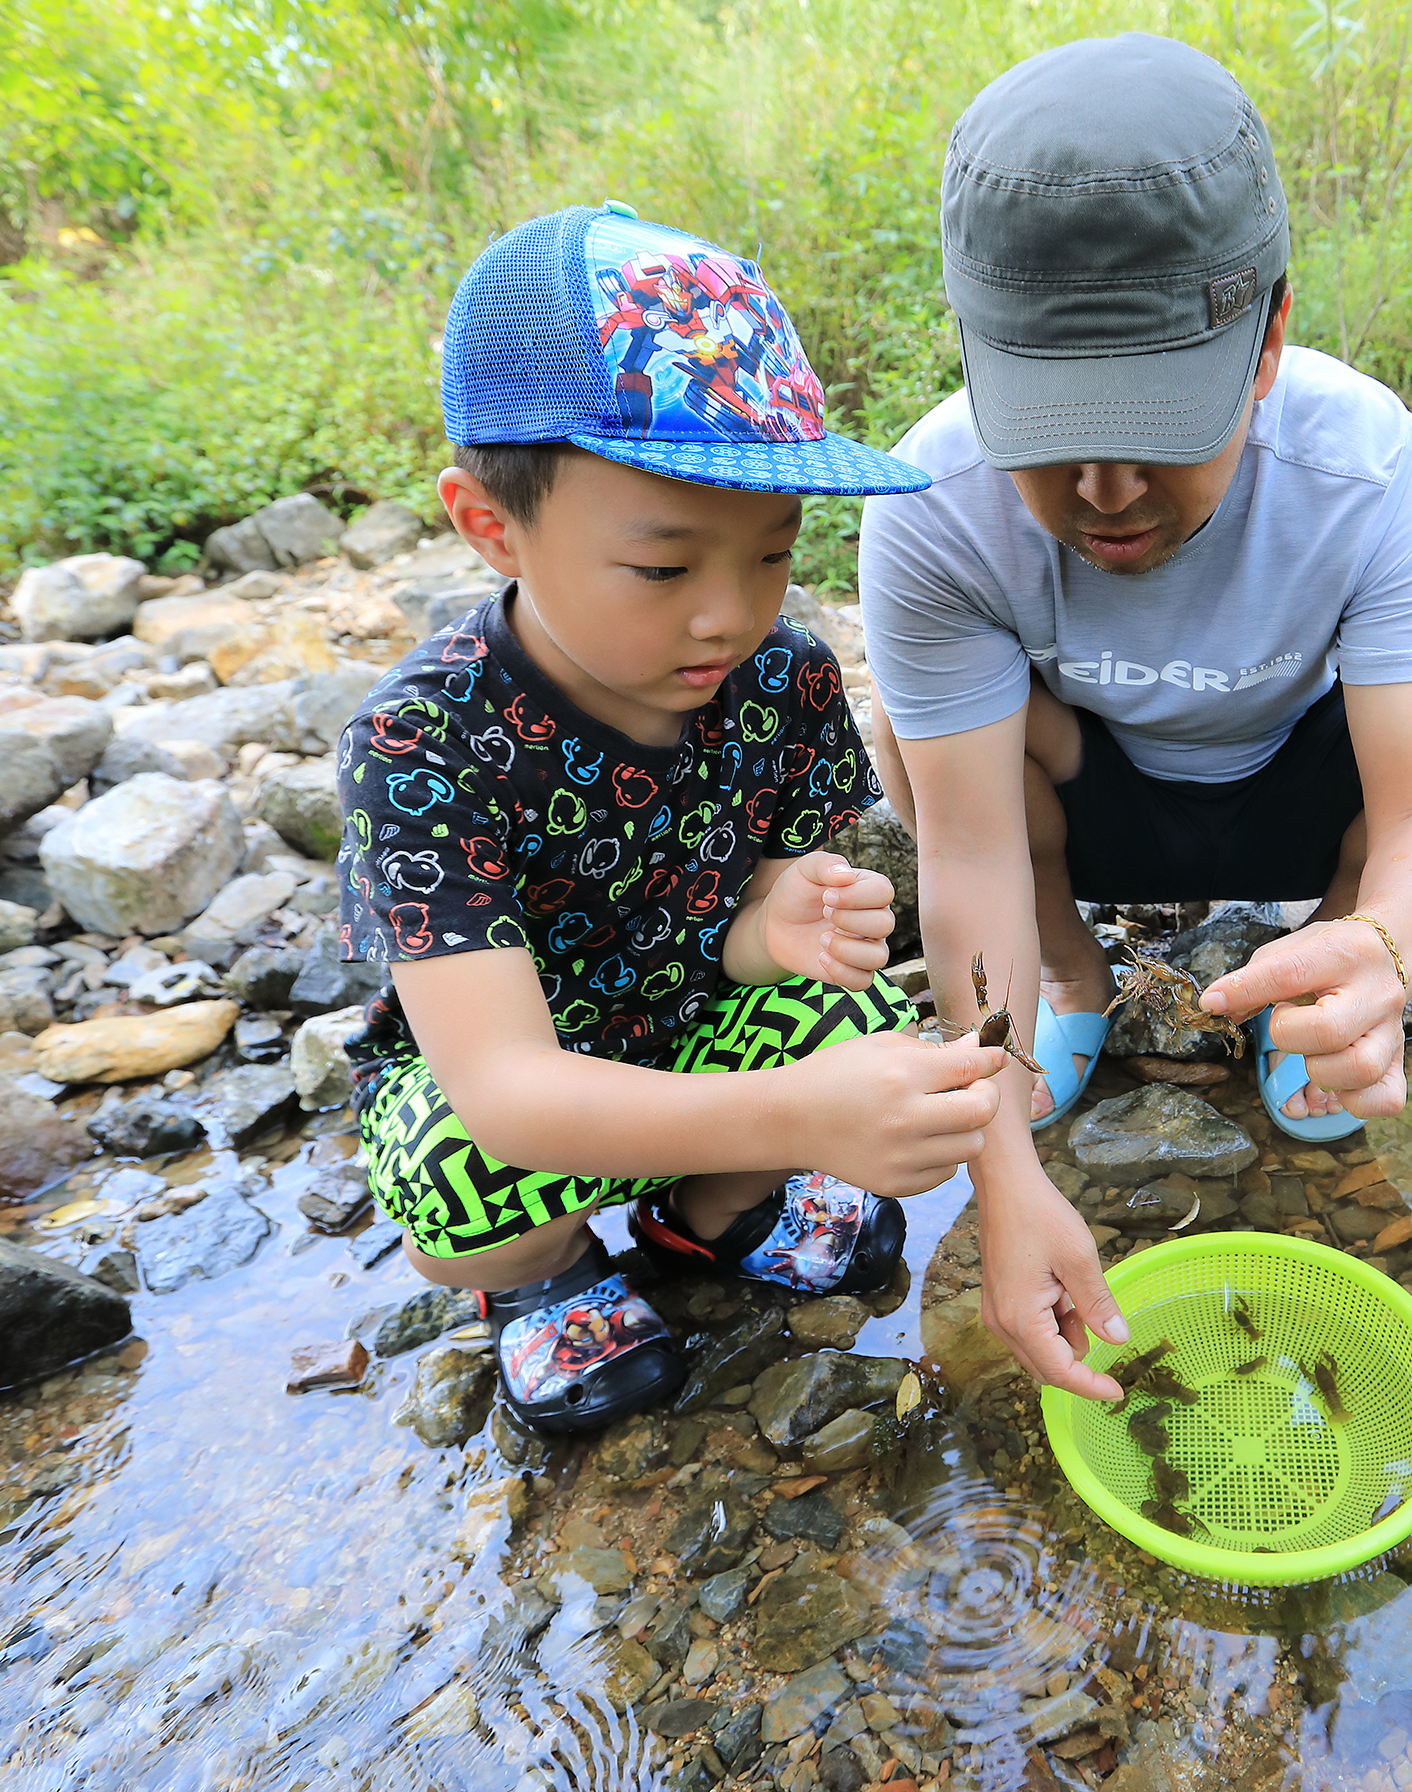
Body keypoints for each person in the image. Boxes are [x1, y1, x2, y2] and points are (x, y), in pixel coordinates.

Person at [858, 35, 1412, 1403]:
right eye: (1053, 430)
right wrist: (996, 1158)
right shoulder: (932, 501)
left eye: (1159, 424)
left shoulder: (1364, 463)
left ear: (1268, 342)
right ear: (975, 352)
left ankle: (1319, 978)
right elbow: (968, 850)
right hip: (1096, 797)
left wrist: (1389, 944)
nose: (1106, 490)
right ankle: (1072, 980)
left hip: (1304, 785)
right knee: (913, 734)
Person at [334, 204, 1010, 1434]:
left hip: (684, 1026)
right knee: (447, 1157)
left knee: (855, 1011)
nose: (729, 616)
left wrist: (777, 923)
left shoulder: (784, 679)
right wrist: (809, 1115)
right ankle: (542, 1274)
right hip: (522, 1086)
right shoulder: (420, 742)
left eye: (771, 555)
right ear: (492, 524)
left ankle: (709, 1215)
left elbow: (748, 916)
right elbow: (503, 1087)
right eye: (664, 567)